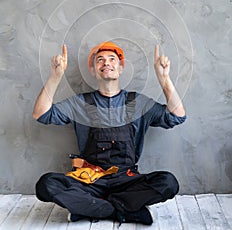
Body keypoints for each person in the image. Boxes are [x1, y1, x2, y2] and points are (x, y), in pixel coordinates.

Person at [33, 41, 186, 226]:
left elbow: (177, 116)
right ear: (93, 70)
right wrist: (55, 77)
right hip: (90, 180)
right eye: (100, 60)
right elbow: (41, 114)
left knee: (168, 182)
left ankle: (88, 208)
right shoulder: (80, 102)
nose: (106, 63)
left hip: (127, 181)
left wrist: (164, 79)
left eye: (112, 59)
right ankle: (124, 209)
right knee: (46, 184)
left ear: (120, 68)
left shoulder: (138, 102)